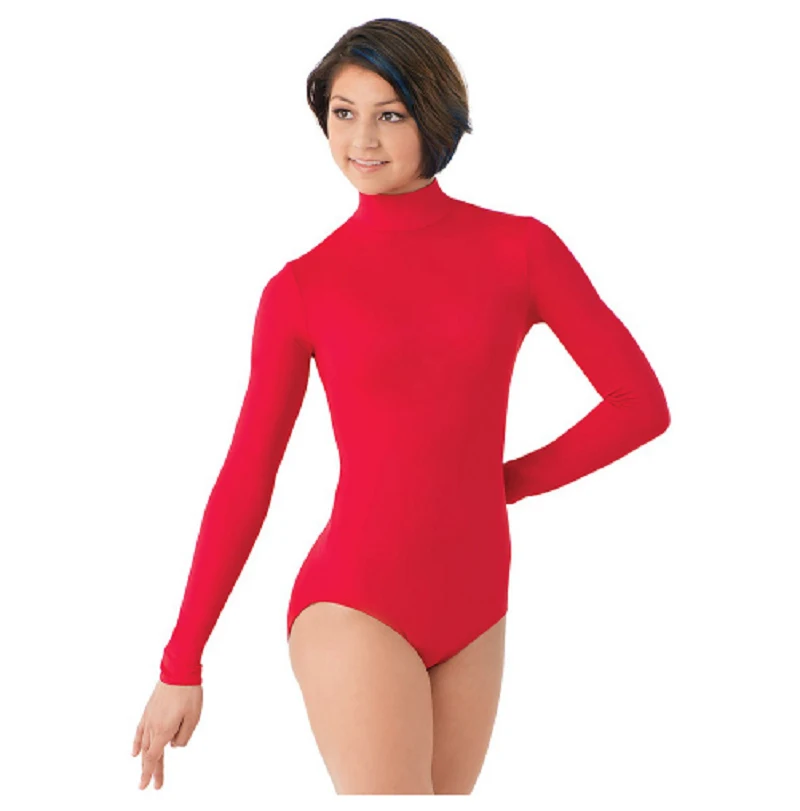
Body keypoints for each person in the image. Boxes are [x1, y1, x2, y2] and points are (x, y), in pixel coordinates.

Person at [132, 17, 670, 796]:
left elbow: (639, 404)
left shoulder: (521, 249)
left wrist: (505, 482)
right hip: (354, 599)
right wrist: (181, 660)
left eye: (390, 113)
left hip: (476, 605)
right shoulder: (301, 288)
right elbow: (249, 473)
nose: (363, 139)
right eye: (343, 113)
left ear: (433, 113)